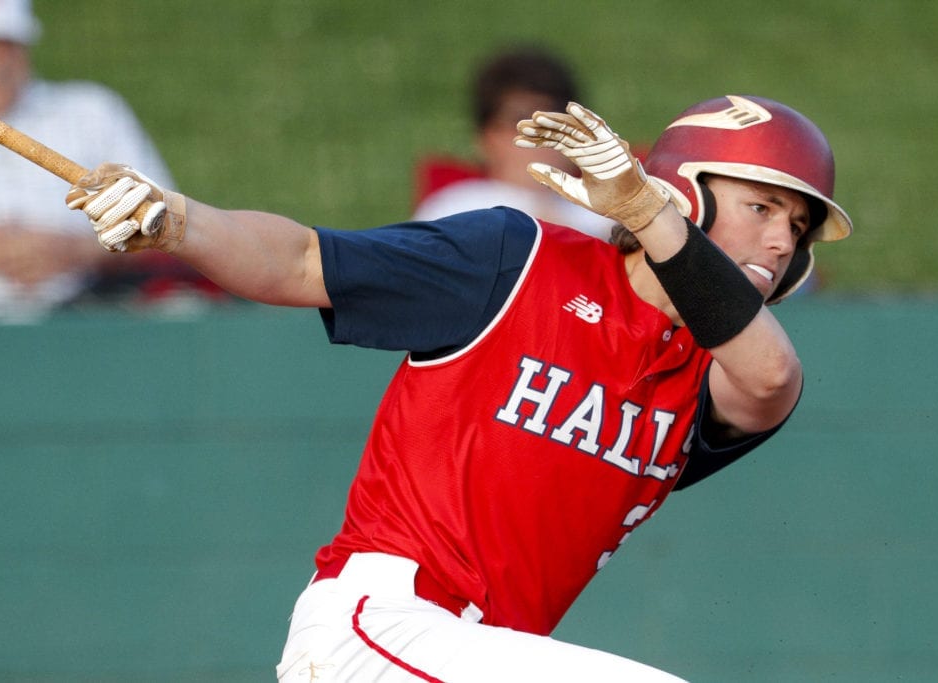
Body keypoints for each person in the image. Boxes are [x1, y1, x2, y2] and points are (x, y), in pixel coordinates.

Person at [57, 94, 851, 681]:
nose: (782, 239)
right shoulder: (516, 259)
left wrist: (651, 214)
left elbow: (772, 375)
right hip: (380, 629)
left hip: (482, 656)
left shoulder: (717, 377)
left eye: (799, 225)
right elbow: (304, 260)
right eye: (762, 206)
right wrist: (180, 221)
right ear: (687, 190)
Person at [0, 0, 176, 321]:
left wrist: (79, 252)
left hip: (86, 314)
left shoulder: (90, 111)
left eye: (6, 47)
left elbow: (166, 226)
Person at [412, 46, 616, 239]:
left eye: (555, 121)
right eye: (521, 120)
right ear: (485, 137)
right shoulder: (452, 209)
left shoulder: (606, 216)